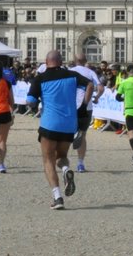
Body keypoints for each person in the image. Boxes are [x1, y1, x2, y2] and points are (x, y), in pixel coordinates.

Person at [31, 50, 91, 206]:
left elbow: (30, 100)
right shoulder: (72, 75)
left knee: (48, 159)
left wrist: (36, 106)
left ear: (46, 61)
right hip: (69, 124)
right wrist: (83, 106)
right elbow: (90, 85)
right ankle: (65, 170)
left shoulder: (40, 78)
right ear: (61, 61)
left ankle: (57, 197)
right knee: (61, 155)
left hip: (49, 124)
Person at [69, 53, 102, 173]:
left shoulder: (69, 71)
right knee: (83, 135)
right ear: (85, 60)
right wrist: (97, 97)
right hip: (86, 106)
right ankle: (80, 163)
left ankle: (64, 161)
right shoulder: (90, 72)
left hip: (71, 106)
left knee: (66, 132)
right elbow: (101, 88)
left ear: (74, 60)